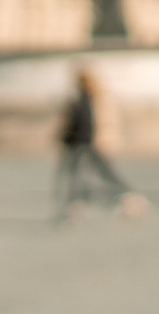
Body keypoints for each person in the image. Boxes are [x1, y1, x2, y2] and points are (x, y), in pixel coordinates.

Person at [56, 69, 143, 219]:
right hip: (88, 143)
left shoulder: (87, 99)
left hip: (89, 144)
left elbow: (87, 124)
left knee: (96, 175)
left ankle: (126, 198)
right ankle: (76, 204)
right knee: (88, 175)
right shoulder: (91, 98)